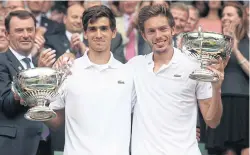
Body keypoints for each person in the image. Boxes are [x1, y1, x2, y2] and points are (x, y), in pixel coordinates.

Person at [56, 5, 226, 155]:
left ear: (173, 30)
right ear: (144, 35)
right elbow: (98, 70)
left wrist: (216, 89)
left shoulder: (193, 65)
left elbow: (212, 121)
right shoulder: (133, 67)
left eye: (163, 29)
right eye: (151, 31)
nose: (158, 35)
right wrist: (68, 57)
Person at [44, 5, 136, 155]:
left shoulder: (128, 73)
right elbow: (56, 122)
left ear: (113, 32)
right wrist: (34, 102)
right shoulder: (68, 70)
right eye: (93, 29)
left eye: (104, 28)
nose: (98, 34)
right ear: (85, 33)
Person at [0, 10, 48, 155]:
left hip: (43, 144)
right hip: (14, 146)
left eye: (30, 29)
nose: (26, 35)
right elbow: (6, 104)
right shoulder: (1, 61)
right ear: (7, 35)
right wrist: (37, 76)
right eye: (19, 30)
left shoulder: (37, 62)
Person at [205, 3, 249, 155]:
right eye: (223, 15)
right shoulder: (215, 43)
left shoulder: (248, 42)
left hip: (245, 103)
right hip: (221, 101)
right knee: (226, 152)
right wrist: (225, 44)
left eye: (229, 15)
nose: (225, 18)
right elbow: (211, 71)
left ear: (241, 18)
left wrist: (235, 47)